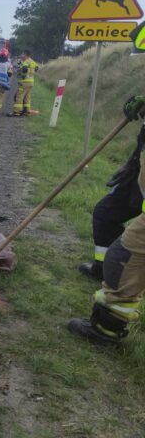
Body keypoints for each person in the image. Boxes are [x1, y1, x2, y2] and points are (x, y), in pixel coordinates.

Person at [68, 95, 145, 344]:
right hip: (137, 179)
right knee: (105, 215)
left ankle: (107, 330)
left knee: (124, 257)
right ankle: (101, 269)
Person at [78, 124, 145, 279]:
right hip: (138, 170)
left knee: (109, 216)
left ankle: (121, 272)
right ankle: (105, 268)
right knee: (105, 214)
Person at [9, 49, 39, 116]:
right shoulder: (32, 62)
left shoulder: (25, 62)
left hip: (24, 82)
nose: (22, 55)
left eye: (22, 54)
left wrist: (21, 74)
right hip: (31, 82)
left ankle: (17, 111)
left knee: (19, 96)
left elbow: (24, 70)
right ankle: (26, 111)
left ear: (25, 54)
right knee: (27, 97)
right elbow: (37, 68)